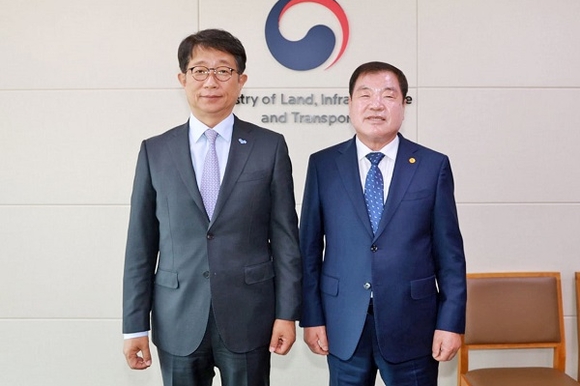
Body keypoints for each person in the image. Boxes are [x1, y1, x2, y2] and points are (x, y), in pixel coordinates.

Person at [122, 28, 302, 386]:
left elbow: (285, 239)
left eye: (223, 71)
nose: (211, 81)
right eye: (200, 70)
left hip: (250, 316)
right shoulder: (155, 151)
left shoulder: (269, 147)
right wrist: (134, 325)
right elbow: (140, 245)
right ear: (183, 79)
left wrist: (287, 313)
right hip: (177, 317)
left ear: (241, 81)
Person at [299, 61, 466, 386]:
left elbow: (450, 256)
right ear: (350, 103)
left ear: (403, 105)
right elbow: (308, 251)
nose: (376, 104)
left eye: (388, 96)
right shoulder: (323, 165)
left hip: (413, 325)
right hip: (343, 323)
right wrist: (312, 317)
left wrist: (450, 323)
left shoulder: (432, 166)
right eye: (365, 95)